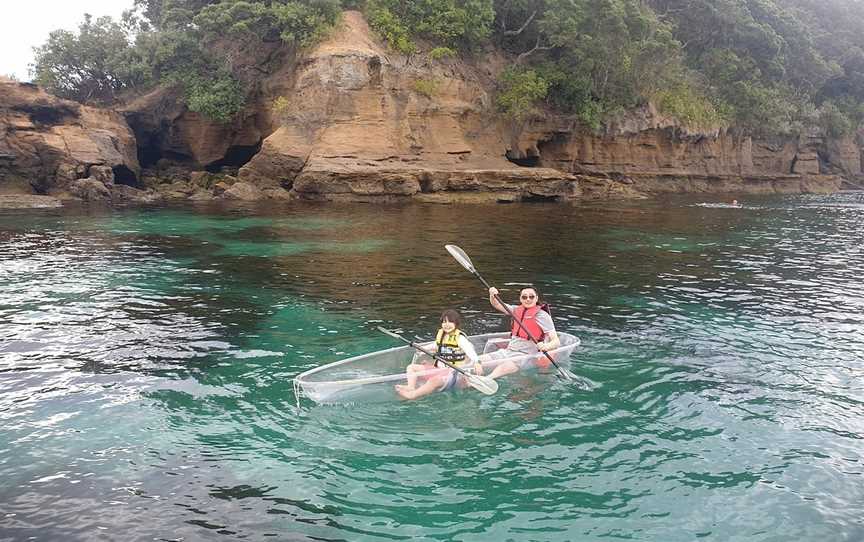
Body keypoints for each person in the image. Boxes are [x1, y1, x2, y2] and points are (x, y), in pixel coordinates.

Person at [394, 309, 482, 400]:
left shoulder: (460, 338)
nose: (447, 325)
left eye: (450, 321)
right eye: (444, 322)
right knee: (411, 367)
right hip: (439, 368)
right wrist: (422, 349)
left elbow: (470, 350)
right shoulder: (442, 334)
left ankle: (413, 395)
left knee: (433, 381)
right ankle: (411, 387)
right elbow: (436, 345)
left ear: (456, 323)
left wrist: (477, 362)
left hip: (453, 373)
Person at [481, 286, 560, 380]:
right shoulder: (515, 310)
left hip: (526, 355)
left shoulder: (542, 316)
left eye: (531, 296)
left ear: (536, 298)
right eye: (524, 297)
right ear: (520, 299)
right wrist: (492, 295)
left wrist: (546, 346)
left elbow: (556, 341)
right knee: (480, 360)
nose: (528, 299)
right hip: (509, 350)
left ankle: (487, 379)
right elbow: (497, 304)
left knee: (506, 366)